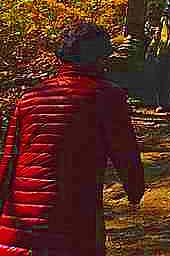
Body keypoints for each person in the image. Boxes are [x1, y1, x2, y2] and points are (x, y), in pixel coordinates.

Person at [0, 21, 145, 255]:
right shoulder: (107, 96)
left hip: (18, 228)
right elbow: (125, 152)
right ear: (99, 58)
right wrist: (135, 190)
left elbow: (9, 161)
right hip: (73, 223)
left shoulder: (29, 99)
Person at [154, 0, 170, 112]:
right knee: (160, 79)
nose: (167, 9)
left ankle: (169, 103)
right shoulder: (163, 19)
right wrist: (152, 47)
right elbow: (158, 34)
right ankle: (161, 103)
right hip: (162, 52)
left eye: (169, 7)